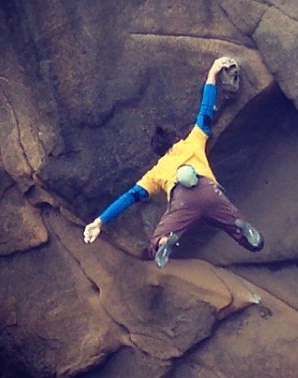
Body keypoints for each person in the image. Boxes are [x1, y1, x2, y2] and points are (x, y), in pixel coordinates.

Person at [83, 56, 264, 268]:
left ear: (159, 152)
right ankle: (240, 227)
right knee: (249, 241)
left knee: (154, 246)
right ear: (176, 138)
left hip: (182, 200)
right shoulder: (192, 142)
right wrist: (212, 73)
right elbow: (205, 111)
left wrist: (100, 221)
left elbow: (129, 197)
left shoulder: (156, 172)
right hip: (209, 190)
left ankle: (164, 242)